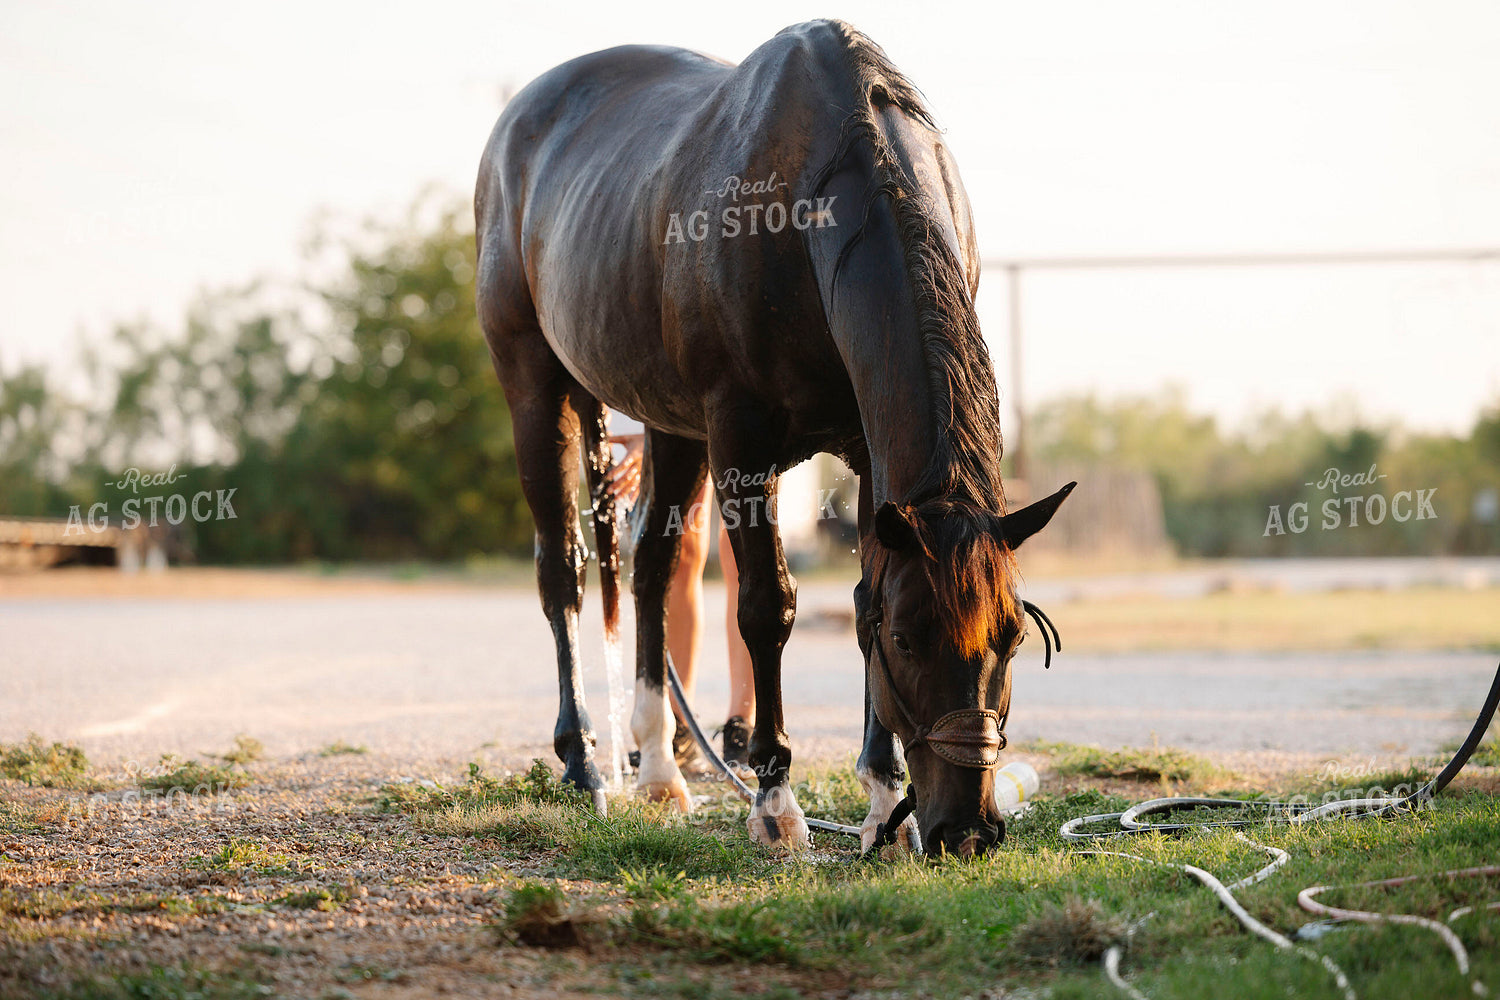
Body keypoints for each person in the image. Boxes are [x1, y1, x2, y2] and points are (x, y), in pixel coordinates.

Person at [605, 424, 754, 775]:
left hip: (752, 388)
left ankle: (744, 724)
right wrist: (647, 429)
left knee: (744, 547)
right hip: (679, 403)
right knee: (682, 547)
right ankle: (677, 721)